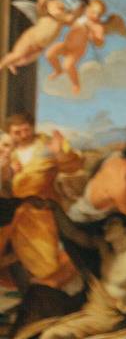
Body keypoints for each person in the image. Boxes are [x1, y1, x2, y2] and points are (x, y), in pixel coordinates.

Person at [0, 111, 82, 291]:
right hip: (12, 212)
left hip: (41, 212)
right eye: (17, 132)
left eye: (26, 130)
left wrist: (60, 153)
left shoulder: (46, 145)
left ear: (32, 127)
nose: (23, 135)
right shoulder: (6, 149)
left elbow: (74, 165)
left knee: (45, 261)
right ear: (9, 133)